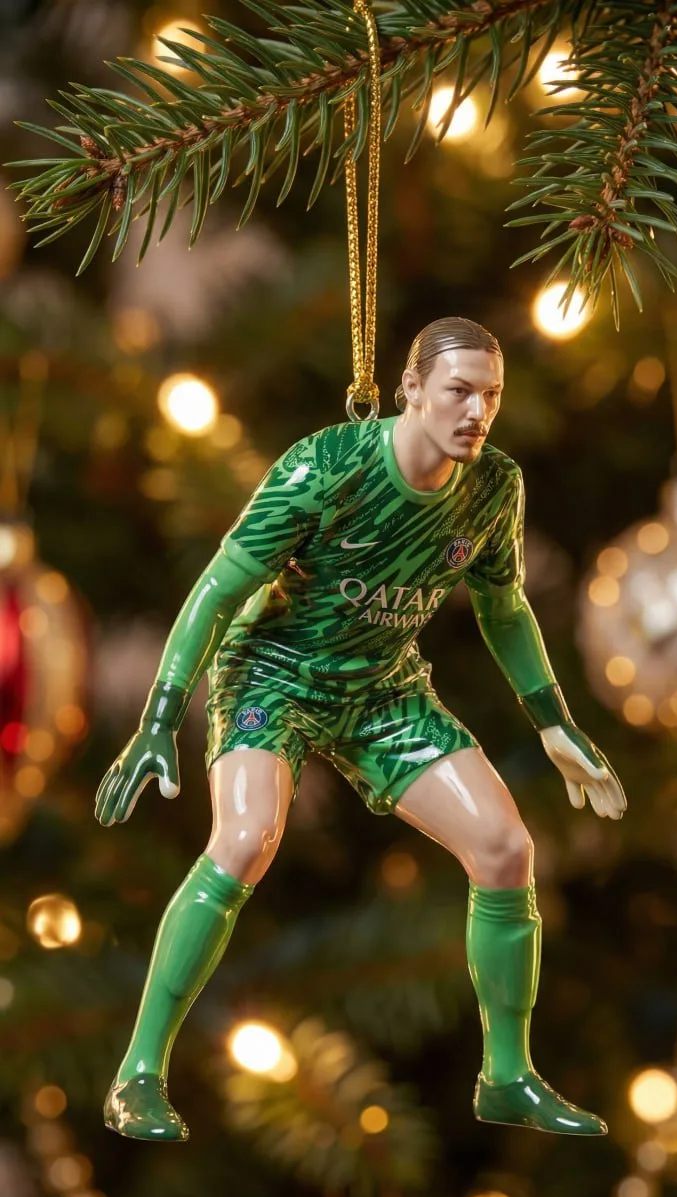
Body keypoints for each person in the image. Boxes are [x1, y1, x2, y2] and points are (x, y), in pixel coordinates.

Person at [97, 316, 626, 1143]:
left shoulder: (494, 487)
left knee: (506, 849)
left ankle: (508, 1076)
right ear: (410, 388)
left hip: (381, 689)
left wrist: (553, 720)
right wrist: (160, 717)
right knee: (244, 839)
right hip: (274, 672)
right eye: (459, 391)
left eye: (491, 395)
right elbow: (218, 588)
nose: (477, 412)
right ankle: (137, 1074)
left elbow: (503, 606)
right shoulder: (324, 467)